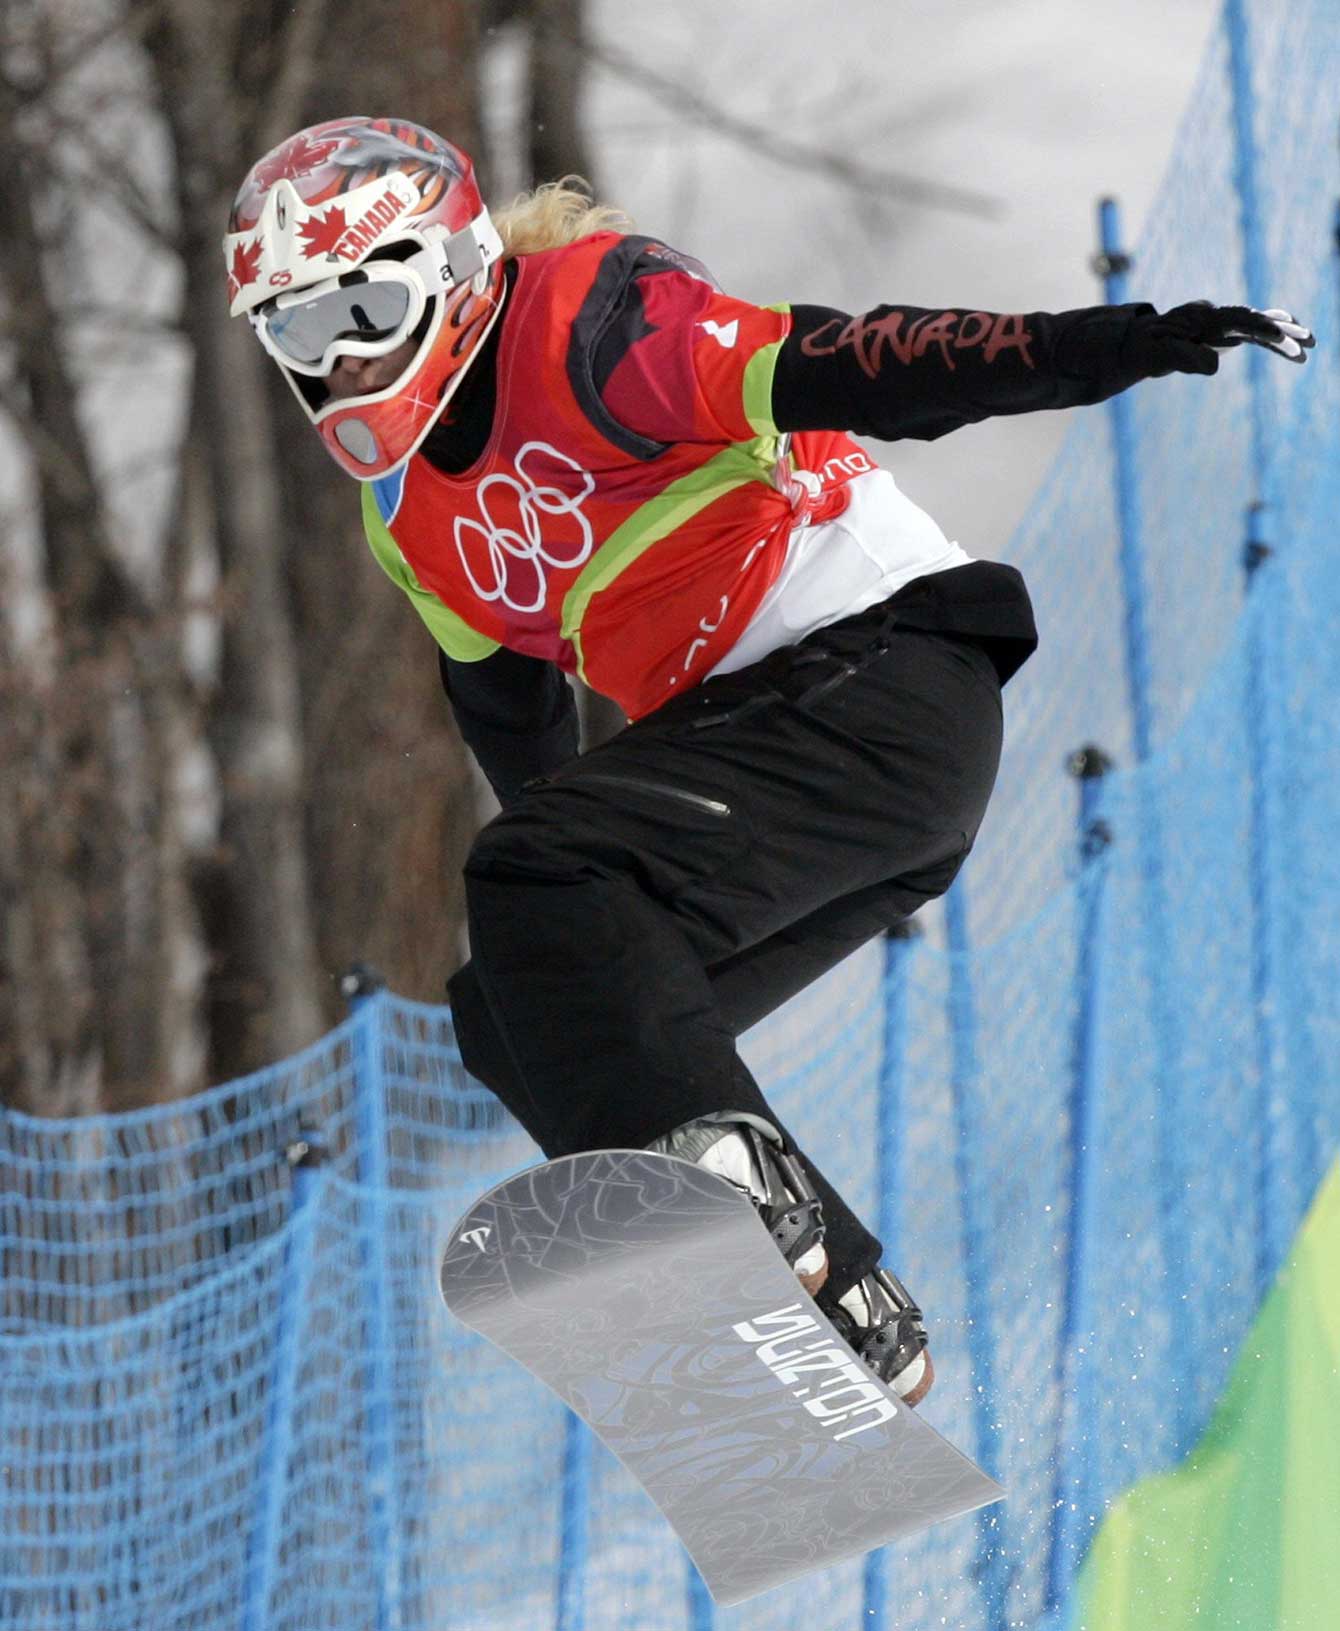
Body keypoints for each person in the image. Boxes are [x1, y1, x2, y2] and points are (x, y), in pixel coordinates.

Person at [224, 115, 1312, 1408]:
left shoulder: (592, 327)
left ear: (453, 265)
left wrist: (1103, 346)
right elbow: (515, 734)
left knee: (531, 887)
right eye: (303, 333)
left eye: (367, 307)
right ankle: (841, 1316)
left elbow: (863, 363)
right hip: (803, 765)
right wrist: (589, 955)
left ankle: (747, 1200)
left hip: (889, 676)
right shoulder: (408, 516)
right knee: (506, 1017)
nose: (343, 363)